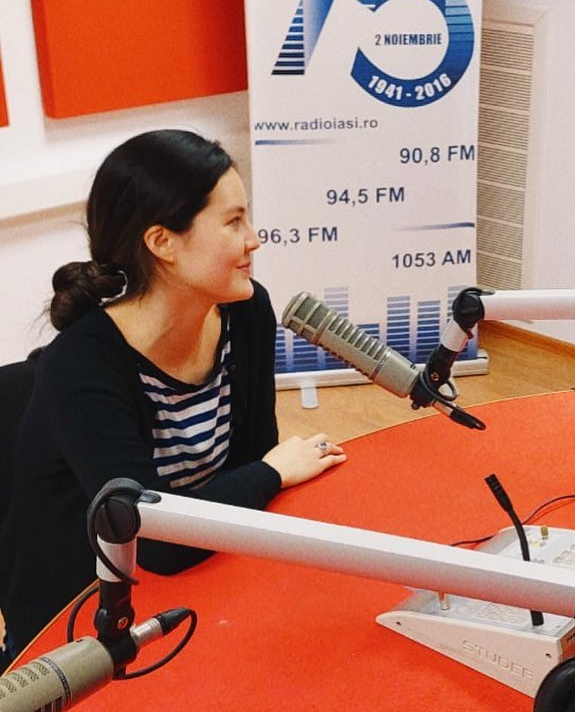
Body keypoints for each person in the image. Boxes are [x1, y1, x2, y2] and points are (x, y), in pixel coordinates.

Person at [0, 130, 346, 666]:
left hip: (197, 581)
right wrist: (272, 474)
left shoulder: (246, 313)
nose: (254, 240)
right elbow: (157, 541)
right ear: (163, 243)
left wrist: (263, 475)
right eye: (233, 222)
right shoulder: (81, 364)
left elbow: (251, 462)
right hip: (83, 627)